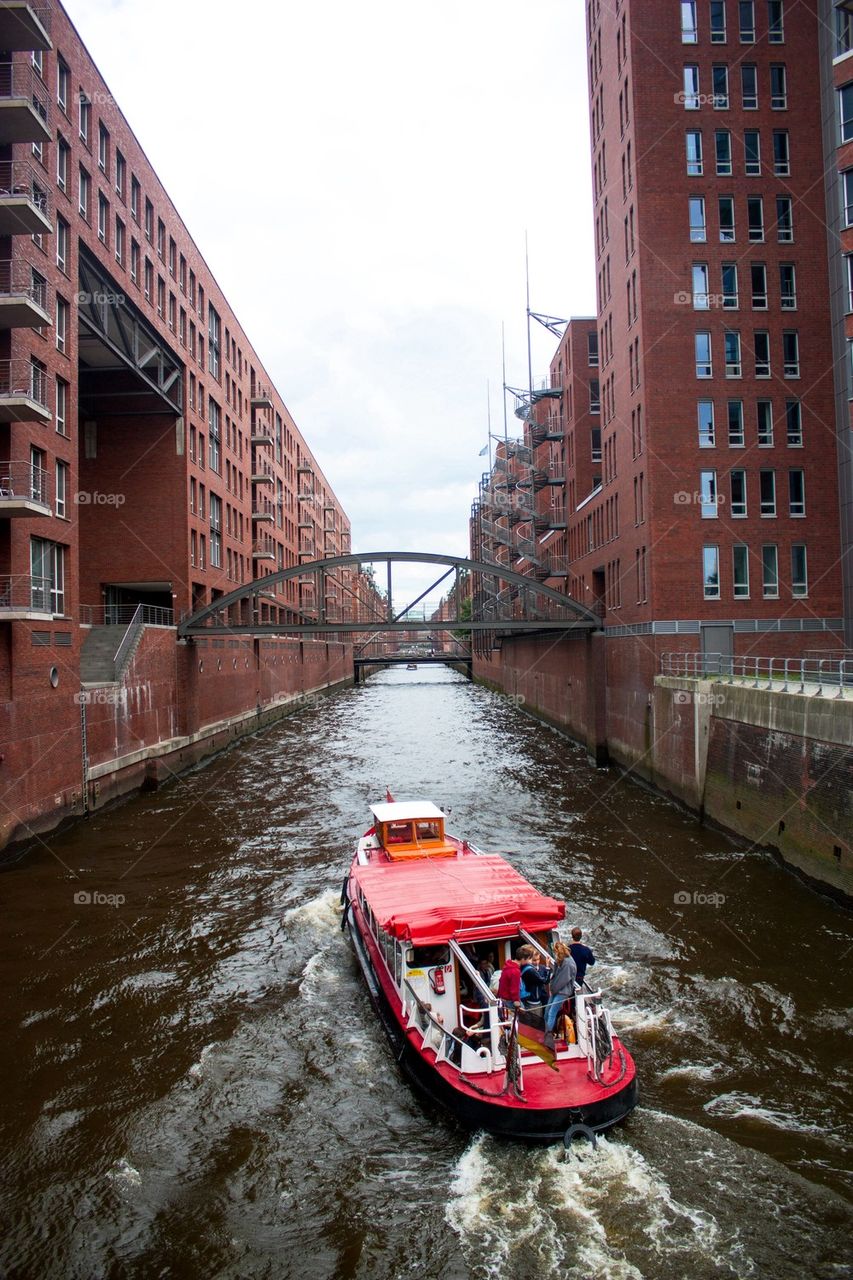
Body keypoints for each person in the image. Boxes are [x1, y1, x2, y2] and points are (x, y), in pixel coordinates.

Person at [544, 941, 577, 1033]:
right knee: (547, 1010)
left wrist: (552, 989)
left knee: (551, 1013)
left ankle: (548, 1034)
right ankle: (545, 1030)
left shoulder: (568, 964)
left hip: (562, 992)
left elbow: (562, 980)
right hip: (557, 990)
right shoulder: (563, 960)